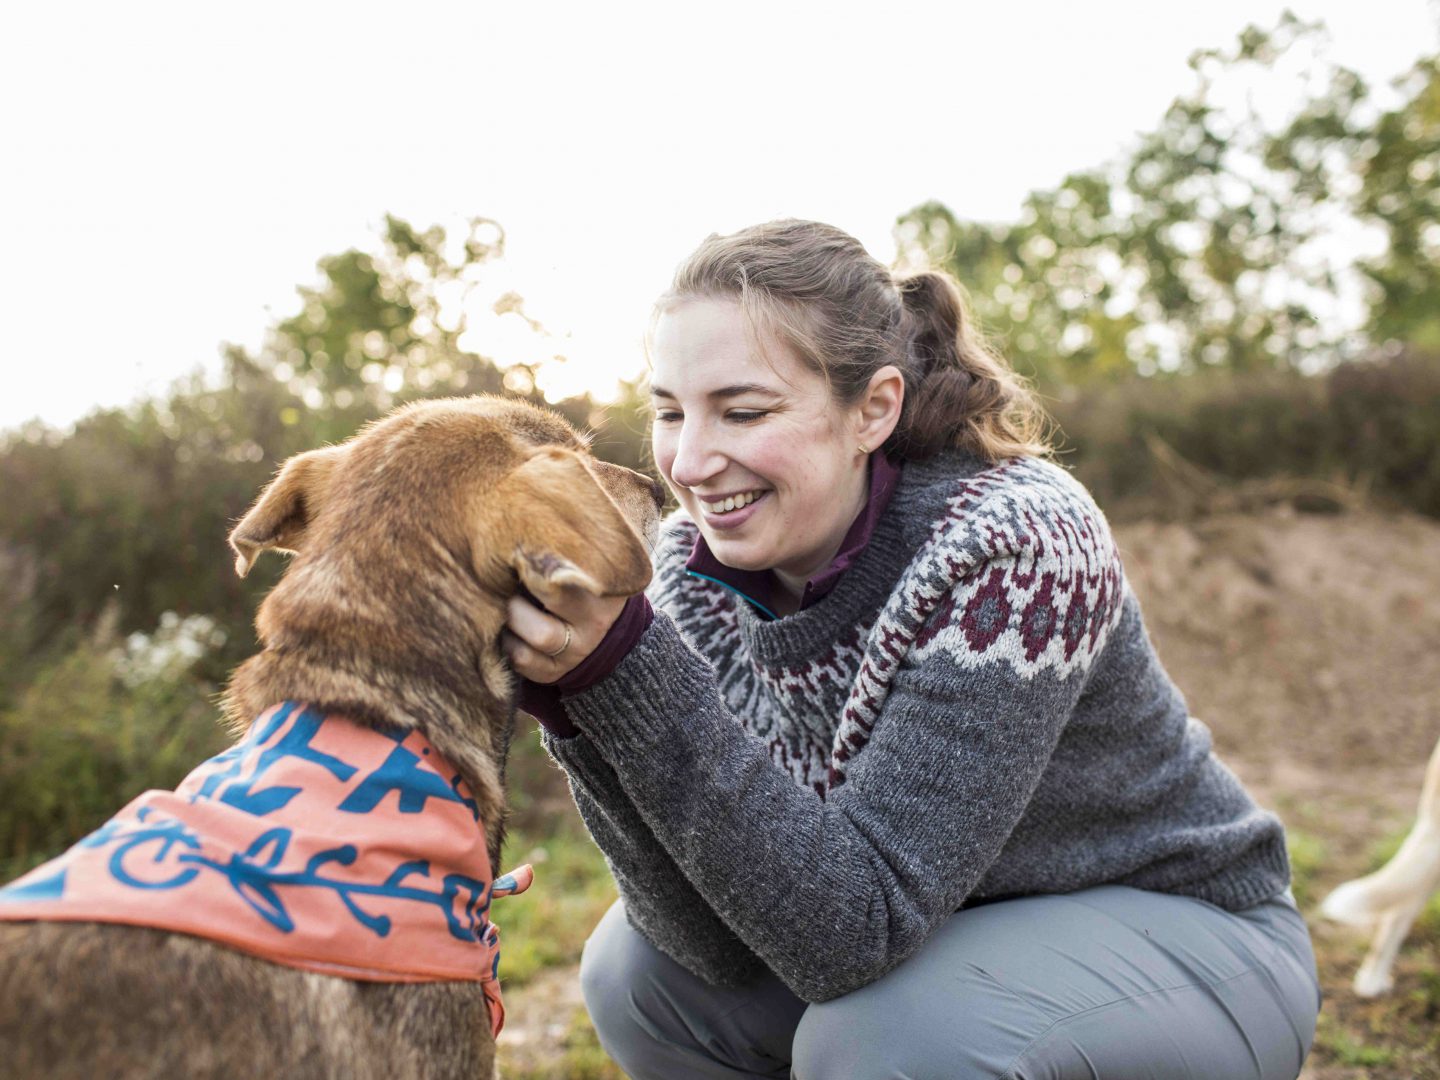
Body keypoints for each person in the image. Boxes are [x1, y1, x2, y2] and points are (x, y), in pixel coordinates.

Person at [502, 219, 1321, 1079]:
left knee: (890, 1039)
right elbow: (709, 943)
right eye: (670, 412)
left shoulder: (1017, 544)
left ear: (874, 408)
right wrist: (589, 700)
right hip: (948, 938)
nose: (693, 462)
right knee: (639, 978)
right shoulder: (685, 573)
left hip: (1185, 936)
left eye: (743, 411)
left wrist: (634, 672)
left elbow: (855, 932)